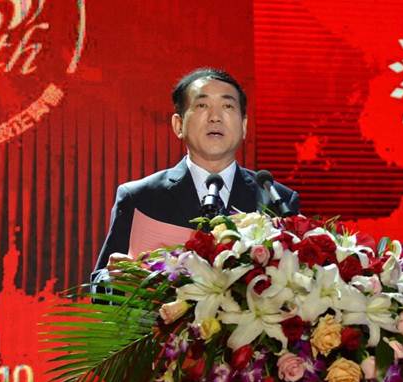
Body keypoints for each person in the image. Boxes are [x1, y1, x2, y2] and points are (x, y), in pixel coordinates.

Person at [91, 68, 299, 285]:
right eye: (202, 106)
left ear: (244, 126)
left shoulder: (276, 198)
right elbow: (99, 284)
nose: (215, 117)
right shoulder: (141, 197)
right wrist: (111, 279)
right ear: (178, 125)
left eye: (227, 106)